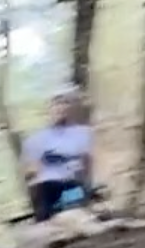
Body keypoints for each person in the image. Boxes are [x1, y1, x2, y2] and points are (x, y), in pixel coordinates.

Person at [23, 86, 97, 223]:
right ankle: (46, 217)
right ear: (48, 110)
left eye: (65, 103)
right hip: (48, 188)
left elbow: (87, 164)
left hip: (73, 185)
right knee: (45, 191)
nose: (60, 108)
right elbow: (32, 172)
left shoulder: (83, 133)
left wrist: (88, 187)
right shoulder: (36, 139)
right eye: (56, 104)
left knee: (74, 200)